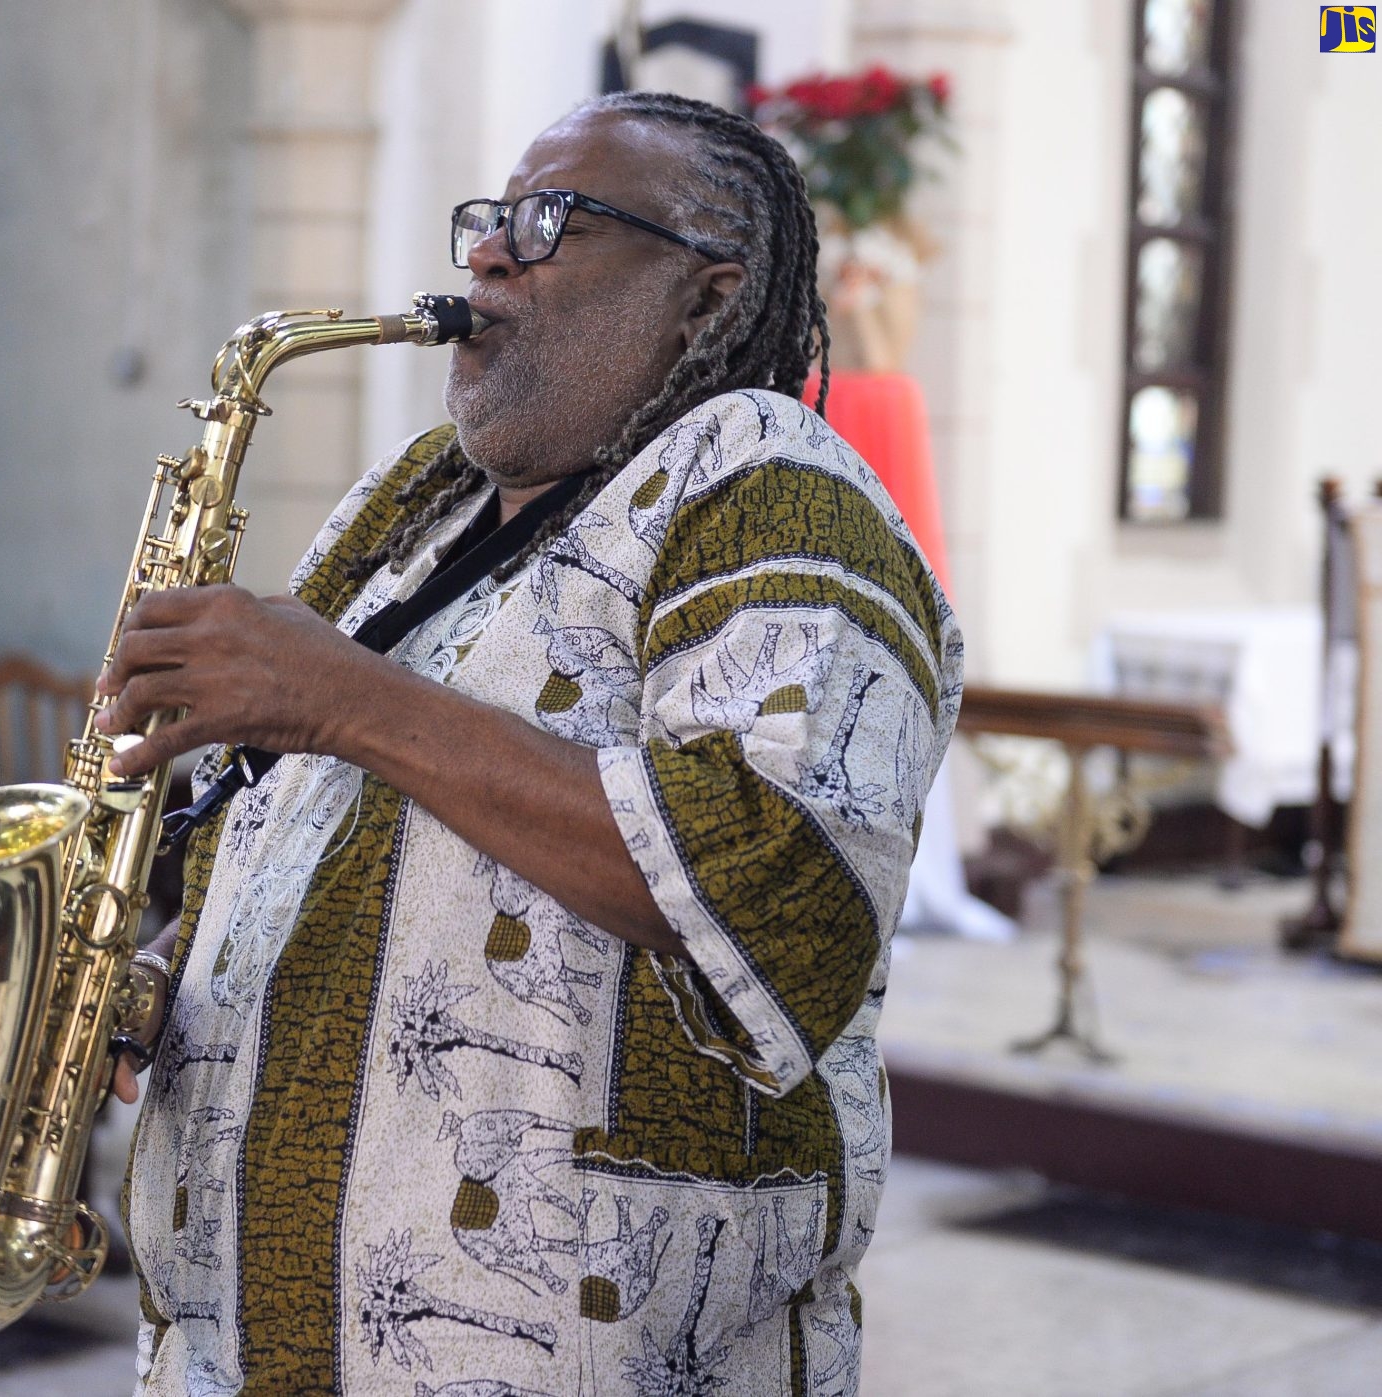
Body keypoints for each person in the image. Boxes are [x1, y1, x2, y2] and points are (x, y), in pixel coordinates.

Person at [93, 91, 962, 1397]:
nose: (493, 253)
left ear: (707, 295)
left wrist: (340, 695)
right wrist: (150, 974)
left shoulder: (766, 476)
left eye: (556, 220)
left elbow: (781, 882)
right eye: (492, 219)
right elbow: (290, 845)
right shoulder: (408, 510)